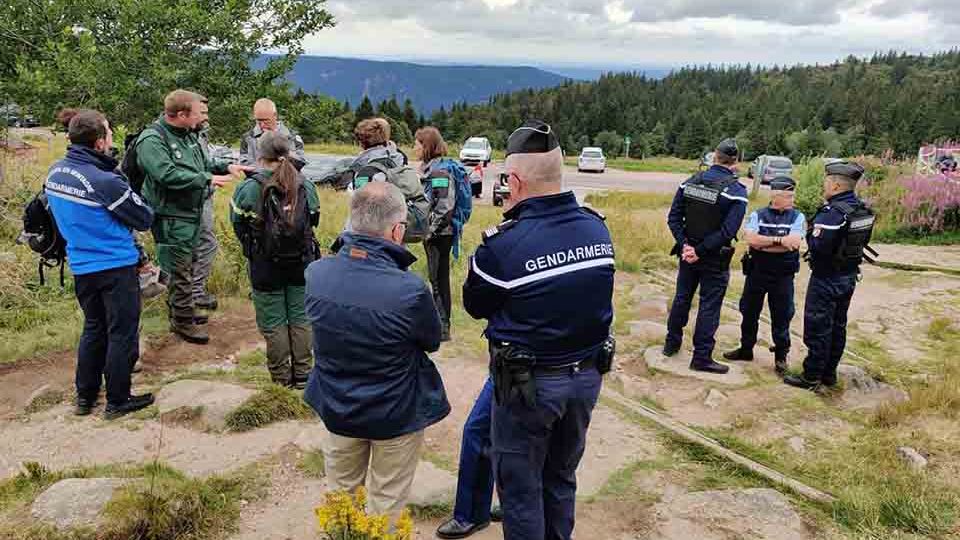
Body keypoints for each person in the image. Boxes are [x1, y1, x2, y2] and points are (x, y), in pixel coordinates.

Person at [463, 120, 616, 540]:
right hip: (586, 379)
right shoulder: (596, 228)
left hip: (529, 389)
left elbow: (475, 305)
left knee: (520, 490)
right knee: (561, 477)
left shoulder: (502, 246)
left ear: (513, 181)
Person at [303, 182, 450, 519]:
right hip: (395, 410)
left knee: (340, 497)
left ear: (351, 222)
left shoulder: (316, 273)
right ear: (398, 230)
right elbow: (431, 341)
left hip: (337, 406)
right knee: (386, 502)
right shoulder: (411, 290)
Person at [44, 109, 156, 419]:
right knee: (122, 333)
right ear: (98, 143)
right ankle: (118, 400)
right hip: (115, 265)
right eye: (107, 134)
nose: (111, 139)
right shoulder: (104, 180)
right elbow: (144, 218)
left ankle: (85, 396)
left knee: (93, 329)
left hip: (81, 264)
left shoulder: (56, 172)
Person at [136, 89, 251, 344]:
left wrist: (224, 167)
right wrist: (206, 179)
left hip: (191, 213)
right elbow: (165, 174)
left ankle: (182, 312)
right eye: (199, 113)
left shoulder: (189, 135)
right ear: (180, 114)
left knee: (188, 263)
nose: (203, 118)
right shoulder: (152, 140)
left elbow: (202, 163)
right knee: (178, 268)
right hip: (171, 216)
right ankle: (183, 321)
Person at [231, 131, 319, 389]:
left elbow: (238, 224)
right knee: (301, 319)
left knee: (273, 322)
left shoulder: (249, 188)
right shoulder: (306, 185)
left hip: (264, 264)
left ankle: (281, 380)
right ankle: (304, 375)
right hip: (302, 262)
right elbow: (313, 220)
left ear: (260, 156)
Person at [785, 161, 876, 391]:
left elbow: (819, 246)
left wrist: (810, 233)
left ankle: (811, 376)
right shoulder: (862, 210)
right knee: (838, 326)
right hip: (848, 276)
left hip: (826, 278)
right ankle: (829, 374)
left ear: (835, 185)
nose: (824, 186)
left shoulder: (833, 213)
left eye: (826, 182)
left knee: (818, 327)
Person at [663, 138, 749, 374]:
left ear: (714, 155)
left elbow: (673, 218)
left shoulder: (690, 182)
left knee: (682, 298)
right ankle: (701, 357)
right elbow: (728, 232)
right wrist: (698, 251)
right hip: (712, 258)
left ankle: (671, 344)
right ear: (736, 161)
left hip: (688, 253)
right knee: (709, 306)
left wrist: (686, 246)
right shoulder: (736, 192)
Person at [723, 177, 805, 375]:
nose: (792, 199)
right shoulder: (758, 214)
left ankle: (781, 357)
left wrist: (766, 242)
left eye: (792, 195)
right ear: (775, 196)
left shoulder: (798, 217)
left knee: (782, 315)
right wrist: (779, 241)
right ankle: (746, 349)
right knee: (749, 312)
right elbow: (751, 240)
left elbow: (794, 243)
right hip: (757, 272)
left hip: (783, 275)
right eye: (788, 196)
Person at [436, 379, 498, 539]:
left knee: (477, 432)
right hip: (560, 373)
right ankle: (516, 504)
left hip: (515, 370)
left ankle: (470, 516)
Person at [417, 126, 458, 342]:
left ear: (427, 146)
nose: (415, 148)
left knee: (438, 280)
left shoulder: (439, 172)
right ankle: (441, 324)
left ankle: (442, 327)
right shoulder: (431, 169)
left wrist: (429, 232)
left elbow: (444, 206)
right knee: (438, 279)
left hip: (440, 234)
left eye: (418, 143)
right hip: (439, 232)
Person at [191, 119, 219, 318]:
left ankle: (192, 293)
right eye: (202, 112)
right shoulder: (182, 138)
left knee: (202, 243)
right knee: (206, 243)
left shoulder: (200, 134)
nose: (206, 118)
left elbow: (206, 162)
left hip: (204, 195)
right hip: (195, 197)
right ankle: (194, 292)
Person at [239, 98, 307, 169]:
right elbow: (243, 164)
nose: (262, 125)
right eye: (259, 120)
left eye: (266, 120)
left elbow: (301, 163)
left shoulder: (292, 137)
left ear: (275, 115)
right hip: (258, 178)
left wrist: (282, 150)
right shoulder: (248, 138)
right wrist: (264, 168)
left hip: (286, 178)